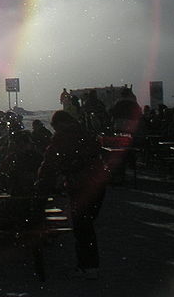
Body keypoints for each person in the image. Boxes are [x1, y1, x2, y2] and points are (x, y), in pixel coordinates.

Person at [36, 110, 110, 280]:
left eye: (55, 127)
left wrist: (42, 183)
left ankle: (87, 267)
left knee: (82, 227)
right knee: (87, 225)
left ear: (60, 124)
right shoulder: (86, 134)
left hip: (81, 186)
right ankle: (90, 265)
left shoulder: (62, 139)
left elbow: (49, 165)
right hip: (98, 185)